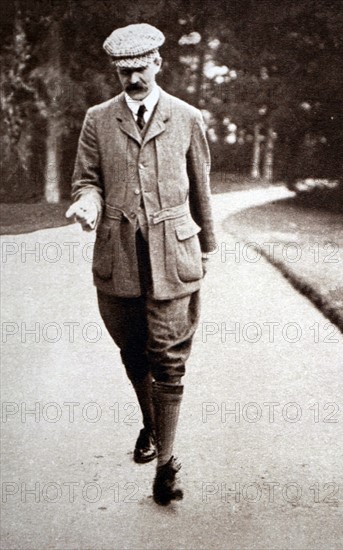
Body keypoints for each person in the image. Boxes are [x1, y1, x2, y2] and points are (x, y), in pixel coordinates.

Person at [66, 23, 216, 505]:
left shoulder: (188, 116)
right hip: (119, 257)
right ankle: (150, 425)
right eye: (123, 71)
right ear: (116, 70)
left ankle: (167, 463)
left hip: (174, 255)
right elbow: (85, 180)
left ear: (158, 63)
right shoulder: (98, 118)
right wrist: (87, 203)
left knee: (169, 358)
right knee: (134, 352)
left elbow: (202, 188)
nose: (132, 79)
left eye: (140, 69)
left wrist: (206, 247)